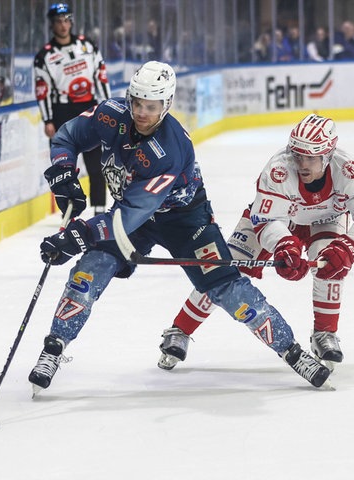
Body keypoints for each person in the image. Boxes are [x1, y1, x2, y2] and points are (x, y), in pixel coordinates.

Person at [27, 61, 332, 395]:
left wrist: (80, 233)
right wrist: (63, 172)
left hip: (185, 221)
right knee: (89, 270)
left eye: (151, 106)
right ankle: (53, 349)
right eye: (137, 103)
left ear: (166, 105)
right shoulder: (110, 113)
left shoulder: (170, 149)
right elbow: (67, 136)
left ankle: (292, 351)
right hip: (131, 214)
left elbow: (130, 216)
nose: (142, 112)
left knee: (227, 289)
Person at [158, 113, 354, 372]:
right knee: (222, 272)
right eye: (298, 155)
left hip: (326, 219)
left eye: (311, 157)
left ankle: (324, 334)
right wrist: (284, 245)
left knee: (330, 263)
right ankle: (180, 331)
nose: (302, 164)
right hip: (276, 220)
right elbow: (266, 220)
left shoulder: (351, 170)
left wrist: (349, 247)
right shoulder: (278, 169)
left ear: (328, 155)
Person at [34, 3, 111, 215]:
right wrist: (48, 119)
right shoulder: (44, 56)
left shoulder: (88, 46)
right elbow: (42, 90)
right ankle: (68, 211)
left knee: (96, 163)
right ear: (52, 24)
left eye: (67, 20)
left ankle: (99, 209)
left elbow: (101, 78)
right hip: (61, 111)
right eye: (58, 21)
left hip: (90, 107)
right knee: (63, 165)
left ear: (72, 22)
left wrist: (106, 106)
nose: (63, 25)